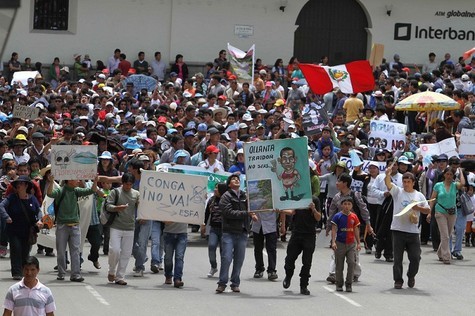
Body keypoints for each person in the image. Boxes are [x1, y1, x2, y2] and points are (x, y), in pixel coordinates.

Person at [46, 174, 100, 282]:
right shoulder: (61, 191)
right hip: (62, 225)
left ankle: (75, 274)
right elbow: (50, 193)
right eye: (76, 178)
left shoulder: (76, 190)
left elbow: (92, 191)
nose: (78, 180)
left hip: (75, 225)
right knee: (61, 251)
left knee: (75, 251)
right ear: (69, 180)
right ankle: (61, 273)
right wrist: (51, 182)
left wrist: (95, 181)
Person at [384, 165, 430, 289]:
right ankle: (398, 280)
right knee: (397, 258)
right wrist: (387, 174)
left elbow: (427, 210)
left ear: (413, 183)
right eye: (404, 181)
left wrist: (418, 208)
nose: (406, 184)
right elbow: (388, 184)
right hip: (398, 229)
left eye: (409, 182)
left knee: (415, 257)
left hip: (413, 231)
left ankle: (411, 275)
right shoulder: (398, 192)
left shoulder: (419, 195)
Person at [216, 174, 257, 293]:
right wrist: (246, 214)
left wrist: (253, 214)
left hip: (242, 232)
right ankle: (222, 283)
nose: (237, 180)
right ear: (229, 184)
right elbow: (228, 212)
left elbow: (252, 208)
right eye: (234, 179)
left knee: (239, 259)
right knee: (227, 258)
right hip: (229, 231)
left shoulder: (245, 196)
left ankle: (235, 283)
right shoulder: (226, 196)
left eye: (238, 179)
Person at [0, 176, 42, 280]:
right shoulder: (12, 198)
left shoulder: (32, 198)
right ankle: (16, 272)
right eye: (18, 184)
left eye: (22, 183)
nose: (19, 185)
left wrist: (39, 221)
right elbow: (1, 206)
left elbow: (39, 211)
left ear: (26, 185)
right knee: (16, 250)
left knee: (25, 251)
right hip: (14, 230)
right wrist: (6, 217)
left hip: (28, 231)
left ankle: (25, 271)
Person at [282, 197, 321, 295]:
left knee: (307, 262)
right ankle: (288, 275)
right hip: (296, 233)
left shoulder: (315, 200)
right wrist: (279, 209)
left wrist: (313, 209)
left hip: (309, 235)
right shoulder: (297, 198)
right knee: (289, 258)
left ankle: (304, 285)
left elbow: (318, 217)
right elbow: (291, 212)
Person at [106, 173, 140, 285]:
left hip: (130, 227)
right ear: (122, 183)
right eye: (126, 184)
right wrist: (117, 208)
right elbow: (108, 206)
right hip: (116, 226)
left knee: (126, 253)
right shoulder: (115, 192)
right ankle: (111, 270)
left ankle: (120, 276)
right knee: (114, 250)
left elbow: (141, 206)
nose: (128, 186)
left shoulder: (136, 194)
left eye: (130, 184)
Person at [428, 167, 464, 264]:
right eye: (447, 174)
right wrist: (429, 212)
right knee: (445, 235)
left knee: (448, 234)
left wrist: (460, 172)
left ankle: (440, 252)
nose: (448, 176)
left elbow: (463, 184)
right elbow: (432, 199)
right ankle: (446, 256)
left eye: (451, 175)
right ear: (444, 175)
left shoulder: (455, 185)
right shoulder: (438, 185)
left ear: (453, 176)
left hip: (452, 212)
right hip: (440, 211)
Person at [331, 196, 361, 292]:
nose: (347, 206)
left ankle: (349, 284)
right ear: (341, 205)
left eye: (349, 204)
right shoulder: (337, 216)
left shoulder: (354, 217)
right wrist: (333, 241)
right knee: (339, 265)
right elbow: (334, 229)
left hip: (351, 244)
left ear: (352, 206)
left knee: (351, 263)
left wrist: (359, 243)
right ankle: (339, 284)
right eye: (345, 204)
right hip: (340, 243)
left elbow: (356, 229)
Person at [202, 183, 227, 278]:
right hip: (213, 228)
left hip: (225, 229)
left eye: (217, 188)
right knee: (211, 246)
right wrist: (203, 224)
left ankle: (224, 271)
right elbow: (207, 213)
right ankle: (213, 266)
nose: (215, 189)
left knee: (223, 251)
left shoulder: (227, 200)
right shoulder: (212, 200)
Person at [163, 220, 188, 288]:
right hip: (168, 233)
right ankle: (168, 275)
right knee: (168, 258)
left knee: (179, 256)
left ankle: (177, 279)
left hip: (182, 233)